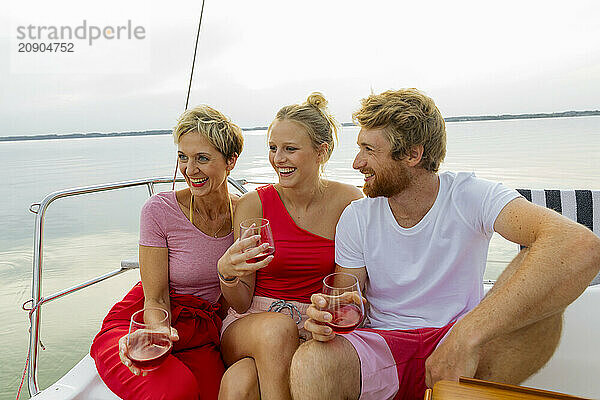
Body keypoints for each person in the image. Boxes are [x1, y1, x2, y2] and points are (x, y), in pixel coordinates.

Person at [289, 88, 600, 400]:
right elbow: (348, 298)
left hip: (464, 348)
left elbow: (578, 245)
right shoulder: (357, 216)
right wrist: (326, 318)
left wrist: (465, 337)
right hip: (385, 345)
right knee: (310, 361)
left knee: (542, 276)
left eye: (369, 150)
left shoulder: (469, 195)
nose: (357, 163)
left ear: (413, 155)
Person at [89, 105, 244, 400]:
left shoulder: (246, 211)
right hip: (141, 322)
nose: (189, 169)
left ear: (231, 161)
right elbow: (155, 297)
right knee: (177, 390)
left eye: (202, 158)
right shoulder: (159, 210)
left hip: (200, 332)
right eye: (183, 157)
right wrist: (156, 339)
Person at [216, 93, 363, 399]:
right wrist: (227, 274)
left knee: (239, 383)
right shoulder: (253, 204)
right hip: (251, 323)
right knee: (277, 330)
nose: (278, 159)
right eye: (272, 148)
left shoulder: (349, 202)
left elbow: (346, 288)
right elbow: (240, 302)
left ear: (321, 151)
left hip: (315, 322)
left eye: (290, 149)